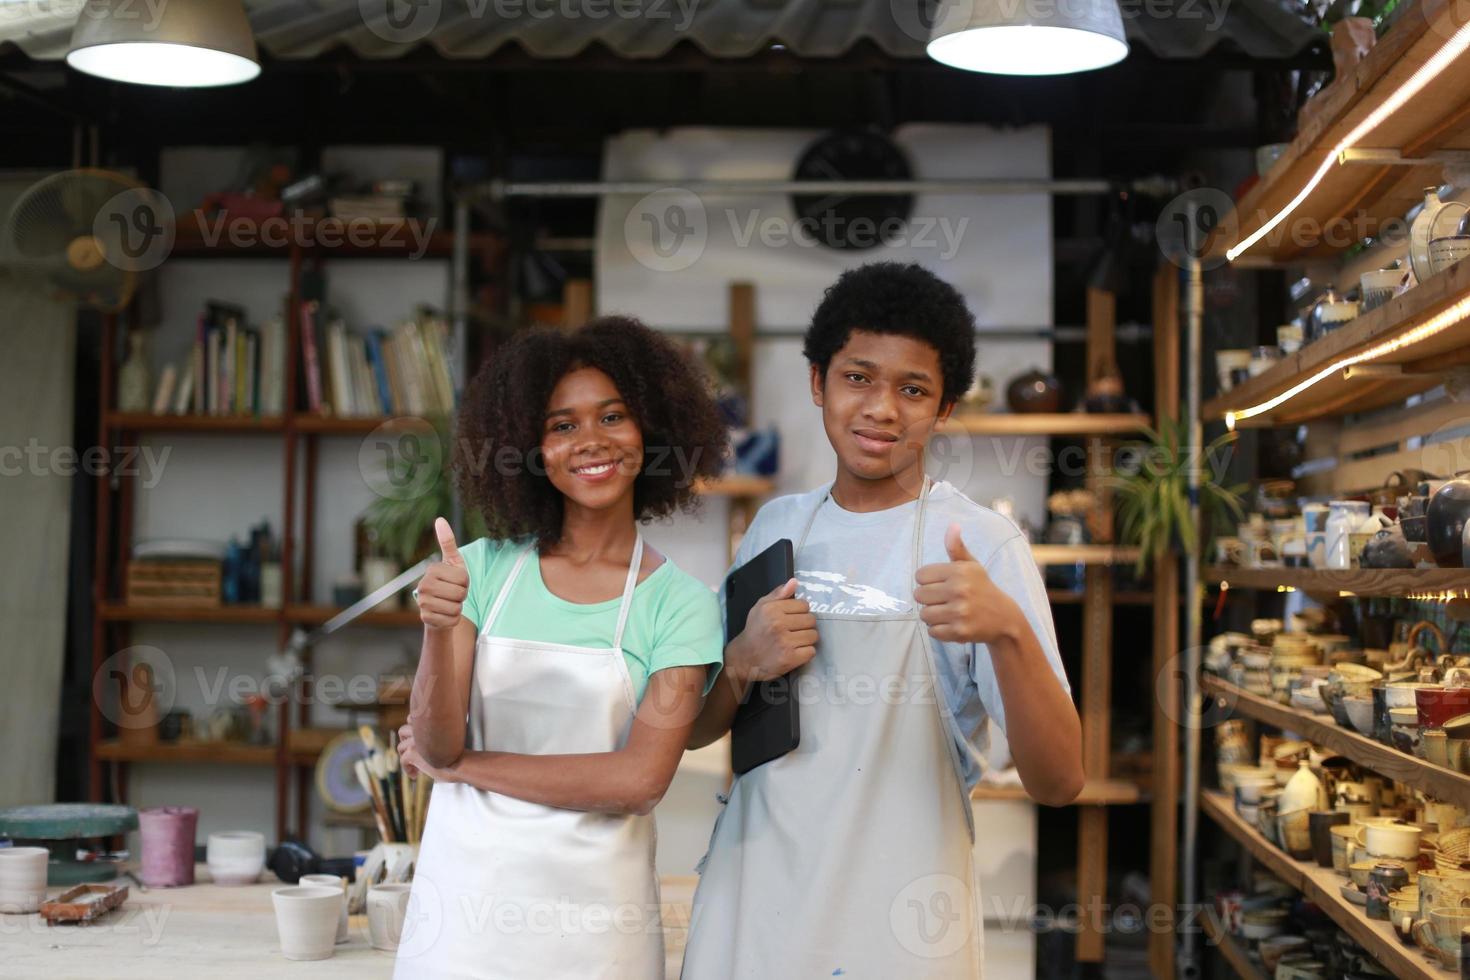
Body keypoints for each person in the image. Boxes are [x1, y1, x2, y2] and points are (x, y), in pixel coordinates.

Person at [681, 262, 1085, 979]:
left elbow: (1059, 781)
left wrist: (1008, 633)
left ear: (946, 408)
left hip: (900, 924)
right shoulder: (777, 527)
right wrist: (741, 662)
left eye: (914, 389)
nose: (881, 409)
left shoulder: (984, 546)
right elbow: (697, 729)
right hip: (757, 904)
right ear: (818, 382)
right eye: (858, 378)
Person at [396, 315, 730, 979]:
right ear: (531, 448)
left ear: (651, 431)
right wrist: (439, 629)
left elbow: (637, 782)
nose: (592, 442)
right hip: (465, 916)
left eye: (613, 416)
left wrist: (467, 768)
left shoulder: (679, 604)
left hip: (597, 933)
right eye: (562, 425)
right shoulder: (482, 571)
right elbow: (433, 744)